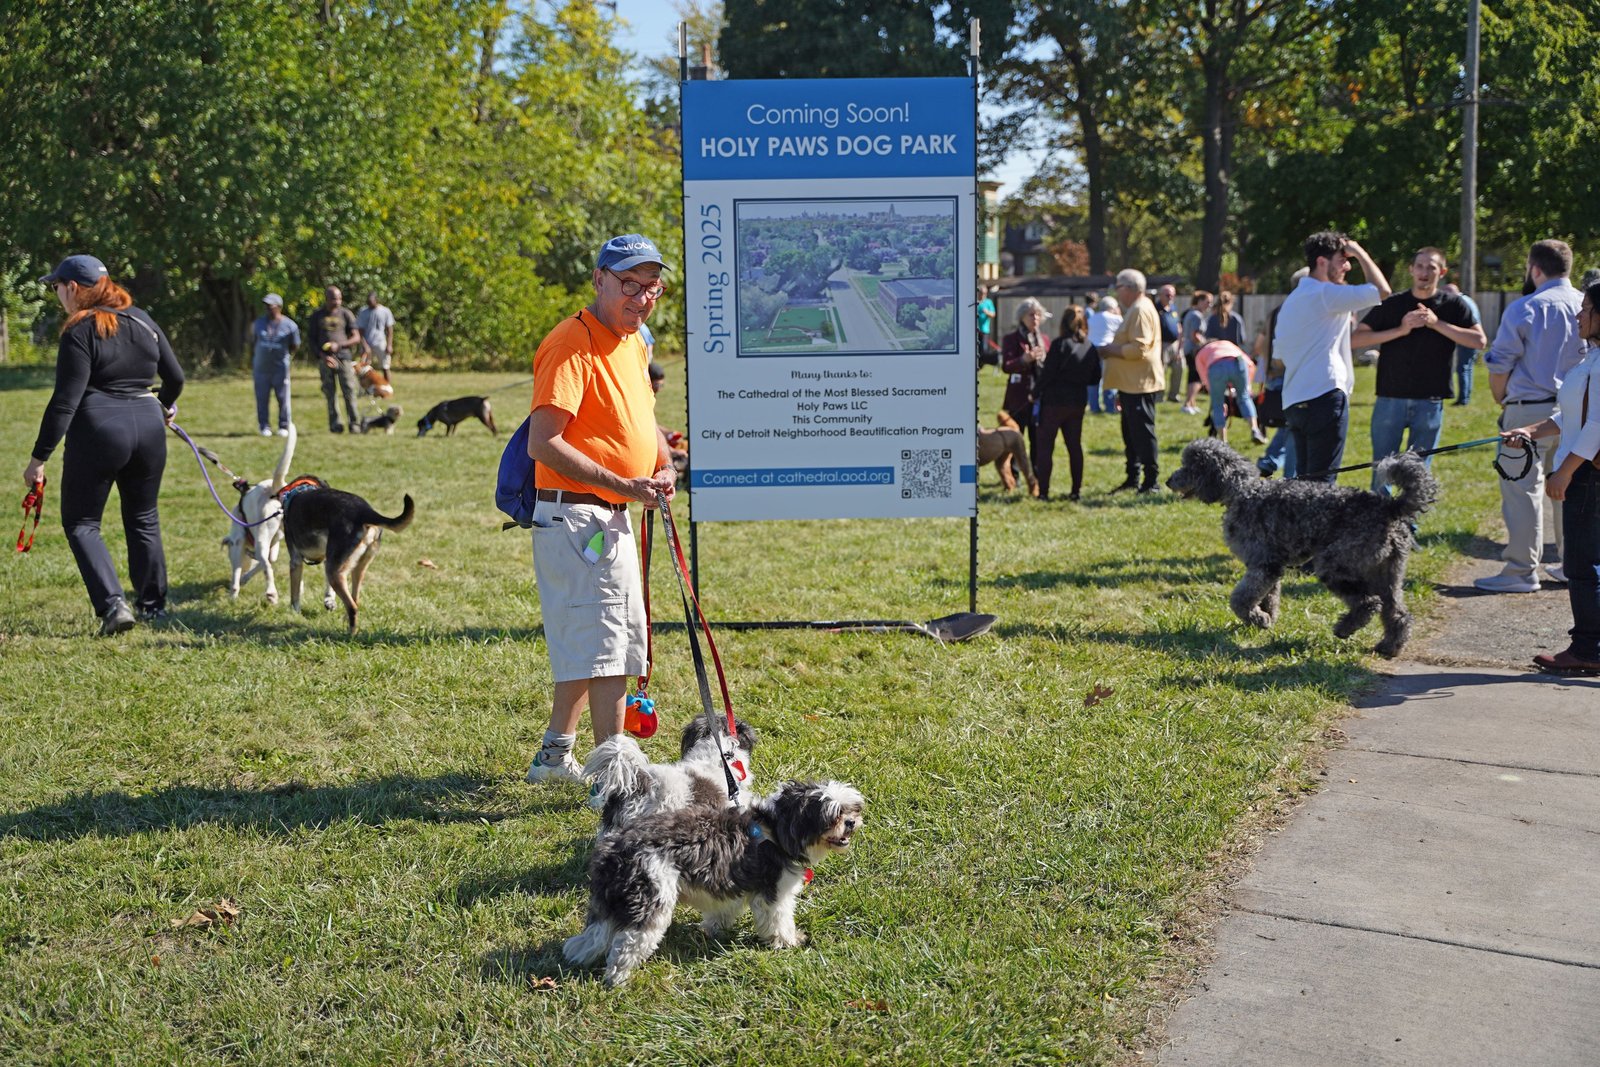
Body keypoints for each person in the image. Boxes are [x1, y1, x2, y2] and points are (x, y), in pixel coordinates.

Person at [524, 233, 678, 783]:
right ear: (599, 280)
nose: (640, 298)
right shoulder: (572, 343)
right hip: (579, 516)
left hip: (608, 514)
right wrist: (623, 483)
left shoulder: (634, 341)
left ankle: (554, 756)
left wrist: (662, 462)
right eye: (628, 285)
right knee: (609, 648)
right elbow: (544, 443)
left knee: (593, 640)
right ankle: (617, 784)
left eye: (651, 288)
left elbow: (642, 414)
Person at [23, 255, 184, 634]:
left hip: (99, 428)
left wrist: (38, 459)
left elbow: (66, 401)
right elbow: (175, 377)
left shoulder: (79, 329)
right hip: (147, 428)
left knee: (81, 523)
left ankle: (113, 606)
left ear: (73, 288)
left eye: (56, 287)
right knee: (143, 517)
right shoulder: (142, 319)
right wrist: (163, 406)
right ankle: (153, 606)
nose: (56, 294)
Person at [1498, 281, 1600, 673]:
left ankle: (1589, 650)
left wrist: (1565, 472)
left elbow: (1595, 427)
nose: (1579, 314)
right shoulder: (1591, 358)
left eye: (1587, 308)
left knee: (1582, 564)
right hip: (1584, 470)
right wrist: (1530, 431)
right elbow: (1570, 417)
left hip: (1589, 475)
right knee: (1586, 562)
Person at [1475, 239, 1586, 593]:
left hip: (1528, 409)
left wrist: (1501, 400)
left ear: (1534, 269)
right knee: (1571, 488)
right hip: (1575, 410)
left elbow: (1500, 364)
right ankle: (1574, 564)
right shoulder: (1586, 305)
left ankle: (1522, 570)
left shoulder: (1525, 307)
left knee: (1522, 492)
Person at [1351, 248, 1485, 489]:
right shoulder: (1393, 304)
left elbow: (1478, 341)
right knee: (1382, 468)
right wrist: (1401, 330)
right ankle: (1379, 523)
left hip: (1430, 400)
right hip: (1390, 397)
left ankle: (1409, 525)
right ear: (1411, 270)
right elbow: (1355, 340)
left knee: (1418, 472)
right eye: (1420, 266)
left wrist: (1437, 324)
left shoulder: (1454, 305)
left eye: (1431, 267)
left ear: (1441, 272)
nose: (1425, 272)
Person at [1273, 231, 1391, 481]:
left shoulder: (1292, 301)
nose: (1347, 266)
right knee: (1322, 487)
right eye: (1342, 259)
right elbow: (1382, 291)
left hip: (1294, 401)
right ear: (1321, 263)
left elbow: (1279, 358)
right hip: (1324, 397)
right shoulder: (1326, 295)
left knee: (1304, 485)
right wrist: (1359, 251)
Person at [1102, 269, 1164, 493]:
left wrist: (1111, 349)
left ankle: (1150, 482)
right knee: (1131, 434)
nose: (1117, 293)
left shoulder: (1139, 309)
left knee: (1142, 433)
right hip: (1132, 382)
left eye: (1118, 288)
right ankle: (1133, 479)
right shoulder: (1138, 308)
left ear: (1128, 288)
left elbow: (1139, 348)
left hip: (1140, 383)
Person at [1034, 305, 1100, 501]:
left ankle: (1044, 492)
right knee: (1074, 447)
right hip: (1077, 401)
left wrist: (1034, 392)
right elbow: (1095, 378)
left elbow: (1047, 374)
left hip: (1054, 402)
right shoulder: (1089, 346)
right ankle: (1075, 491)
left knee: (1045, 448)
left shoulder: (1059, 345)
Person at [1255, 268, 1309, 479]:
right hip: (1291, 375)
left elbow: (1264, 342)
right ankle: (1288, 479)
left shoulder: (1277, 311)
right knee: (1293, 427)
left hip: (1275, 375)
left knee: (1289, 425)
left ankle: (1270, 462)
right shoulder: (1298, 312)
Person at [1001, 297, 1051, 469]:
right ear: (1022, 317)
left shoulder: (1044, 339)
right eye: (1031, 315)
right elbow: (1006, 367)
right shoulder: (1011, 339)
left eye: (1038, 315)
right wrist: (1023, 360)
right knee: (1016, 437)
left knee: (1037, 438)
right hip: (1019, 397)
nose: (1035, 318)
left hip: (1039, 397)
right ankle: (1013, 473)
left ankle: (1036, 474)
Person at [308, 285, 364, 433]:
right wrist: (323, 356)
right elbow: (312, 340)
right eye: (334, 298)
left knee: (349, 390)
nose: (337, 301)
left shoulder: (346, 314)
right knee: (330, 393)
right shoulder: (317, 316)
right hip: (325, 360)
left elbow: (356, 337)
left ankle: (355, 424)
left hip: (344, 358)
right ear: (326, 298)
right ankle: (335, 425)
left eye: (339, 298)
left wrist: (339, 345)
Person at [1195, 339, 1268, 445]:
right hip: (1238, 362)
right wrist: (1248, 386)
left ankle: (1223, 441)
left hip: (1216, 367)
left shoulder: (1201, 353)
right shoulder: (1228, 343)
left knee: (1218, 405)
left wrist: (1216, 394)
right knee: (1244, 398)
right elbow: (1250, 365)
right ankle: (1255, 430)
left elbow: (1205, 380)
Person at [251, 294, 299, 436]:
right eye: (266, 306)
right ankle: (264, 426)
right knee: (262, 398)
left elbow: (294, 345)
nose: (267, 309)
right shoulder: (258, 323)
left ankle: (283, 426)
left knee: (283, 398)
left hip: (280, 368)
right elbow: (253, 341)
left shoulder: (290, 326)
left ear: (278, 307)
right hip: (261, 368)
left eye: (270, 306)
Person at [1440, 282, 1483, 406]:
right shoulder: (1467, 300)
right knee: (1467, 368)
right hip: (1472, 338)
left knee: (1462, 368)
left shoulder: (1460, 303)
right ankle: (1465, 397)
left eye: (1446, 294)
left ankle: (1463, 399)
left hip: (1468, 338)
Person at [1086, 294, 1123, 413]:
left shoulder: (1092, 318)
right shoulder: (1115, 318)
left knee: (1093, 380)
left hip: (1092, 349)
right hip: (1108, 349)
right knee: (1109, 379)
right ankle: (1110, 407)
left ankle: (1094, 407)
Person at [1180, 290, 1213, 414]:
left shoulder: (1191, 313)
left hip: (1189, 349)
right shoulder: (1196, 316)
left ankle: (1192, 403)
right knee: (1196, 377)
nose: (1209, 305)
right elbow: (1195, 335)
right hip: (1194, 350)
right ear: (1199, 301)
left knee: (1192, 376)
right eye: (1207, 302)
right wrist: (1206, 344)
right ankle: (1187, 403)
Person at [1154, 284, 1183, 402]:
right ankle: (1159, 396)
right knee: (1161, 371)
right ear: (1160, 295)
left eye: (1172, 295)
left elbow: (1179, 327)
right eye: (1167, 295)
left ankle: (1173, 395)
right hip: (1161, 345)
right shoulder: (1155, 309)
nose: (1170, 297)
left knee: (1178, 369)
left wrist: (1180, 347)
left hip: (1175, 344)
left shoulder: (1174, 309)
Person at [356, 291, 396, 376]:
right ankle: (366, 388)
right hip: (367, 342)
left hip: (380, 342)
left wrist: (389, 345)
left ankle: (386, 387)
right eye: (368, 302)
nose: (369, 304)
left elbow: (389, 330)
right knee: (364, 368)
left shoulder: (385, 311)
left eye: (371, 302)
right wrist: (365, 345)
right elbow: (360, 331)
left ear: (376, 300)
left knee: (385, 366)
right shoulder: (363, 311)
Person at [976, 284, 998, 367]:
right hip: (974, 331)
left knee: (984, 350)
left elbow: (993, 314)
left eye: (984, 293)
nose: (982, 295)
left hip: (984, 330)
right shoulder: (975, 302)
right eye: (981, 292)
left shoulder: (988, 302)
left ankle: (985, 363)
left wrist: (986, 312)